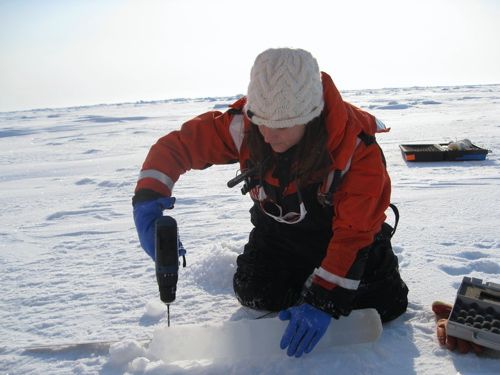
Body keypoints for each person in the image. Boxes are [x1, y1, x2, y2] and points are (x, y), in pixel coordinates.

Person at [133, 47, 409, 357]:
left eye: (281, 125)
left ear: (311, 117)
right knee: (255, 292)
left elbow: (355, 231)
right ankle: (307, 280)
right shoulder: (247, 127)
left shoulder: (356, 148)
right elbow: (177, 147)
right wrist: (149, 201)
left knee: (386, 304)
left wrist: (324, 298)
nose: (267, 135)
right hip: (279, 236)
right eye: (262, 121)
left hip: (345, 237)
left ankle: (323, 281)